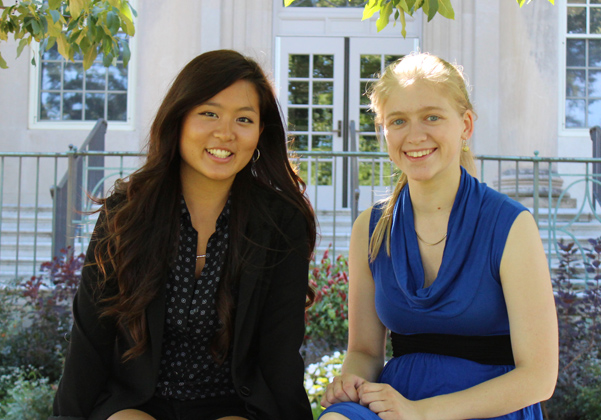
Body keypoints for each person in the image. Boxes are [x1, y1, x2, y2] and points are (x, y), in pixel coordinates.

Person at [49, 50, 317, 420]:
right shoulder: (126, 212)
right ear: (179, 118)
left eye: (244, 119)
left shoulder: (279, 222)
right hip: (137, 403)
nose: (225, 133)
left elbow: (280, 352)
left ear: (260, 132)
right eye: (209, 113)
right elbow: (90, 341)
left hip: (233, 405)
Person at [319, 52, 558, 420]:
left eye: (432, 116)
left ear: (465, 125)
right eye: (398, 120)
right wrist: (349, 383)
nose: (415, 135)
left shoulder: (510, 225)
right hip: (397, 406)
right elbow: (366, 352)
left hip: (486, 410)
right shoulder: (370, 229)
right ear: (383, 130)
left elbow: (539, 378)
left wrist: (422, 412)